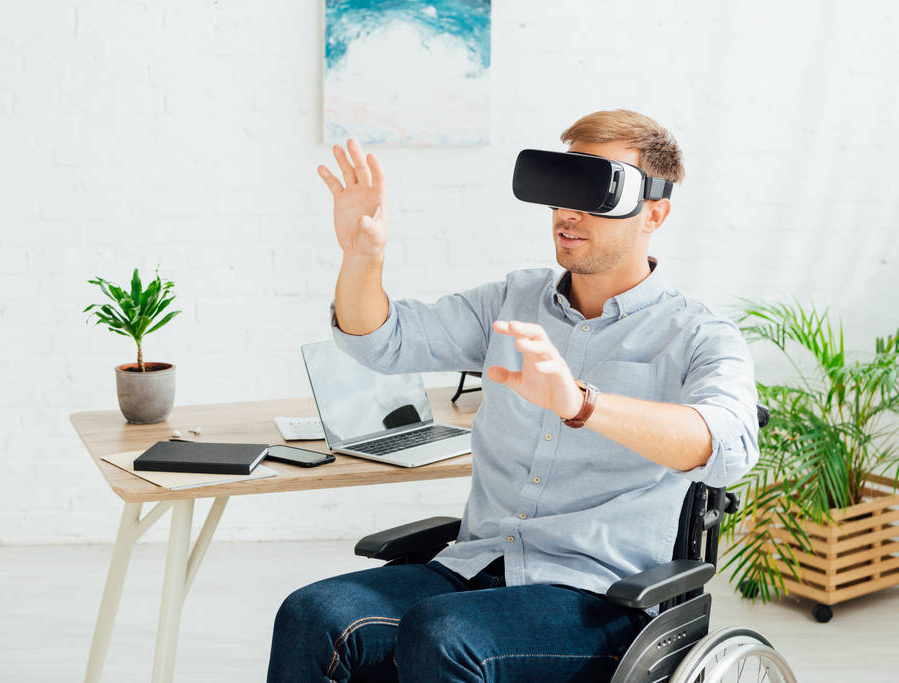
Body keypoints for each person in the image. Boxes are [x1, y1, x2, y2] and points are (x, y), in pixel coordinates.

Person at [266, 109, 759, 682]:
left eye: (596, 191)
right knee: (312, 614)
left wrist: (582, 404)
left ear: (655, 212)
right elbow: (382, 341)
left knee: (445, 633)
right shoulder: (513, 301)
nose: (568, 213)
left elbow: (729, 444)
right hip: (476, 566)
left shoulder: (698, 336)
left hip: (602, 599)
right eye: (561, 187)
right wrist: (362, 258)